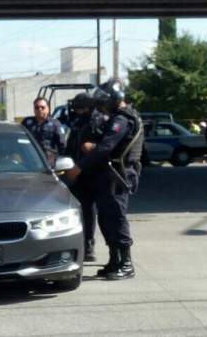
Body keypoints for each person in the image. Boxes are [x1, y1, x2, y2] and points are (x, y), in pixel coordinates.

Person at [65, 79, 144, 281]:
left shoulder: (123, 119)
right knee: (106, 218)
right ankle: (114, 260)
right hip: (110, 175)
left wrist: (80, 166)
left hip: (119, 175)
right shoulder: (117, 117)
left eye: (104, 100)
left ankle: (126, 263)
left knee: (116, 217)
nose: (101, 105)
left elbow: (107, 146)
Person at [65, 92, 98, 261]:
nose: (75, 111)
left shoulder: (94, 122)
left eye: (78, 107)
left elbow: (96, 150)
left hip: (89, 173)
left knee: (88, 209)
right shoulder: (78, 123)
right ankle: (81, 244)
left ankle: (89, 245)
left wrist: (80, 166)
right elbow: (71, 147)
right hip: (75, 171)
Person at [21, 97, 65, 165]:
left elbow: (62, 146)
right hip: (29, 162)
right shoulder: (26, 122)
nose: (40, 109)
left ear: (48, 109)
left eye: (42, 107)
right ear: (34, 109)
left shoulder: (55, 124)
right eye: (37, 107)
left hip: (47, 163)